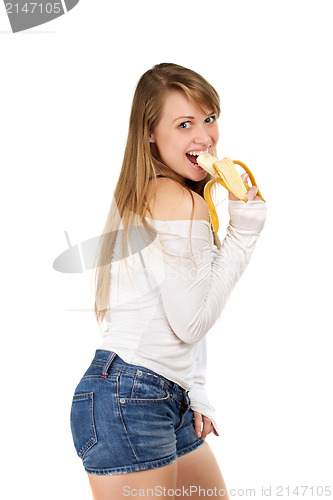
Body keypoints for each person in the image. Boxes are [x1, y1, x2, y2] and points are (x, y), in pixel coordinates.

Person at [70, 63, 267, 499]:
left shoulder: (153, 193)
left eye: (209, 118)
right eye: (184, 124)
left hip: (154, 395)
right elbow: (191, 323)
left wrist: (195, 392)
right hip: (131, 397)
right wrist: (245, 230)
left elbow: (172, 311)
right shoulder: (176, 199)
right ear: (150, 134)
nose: (204, 137)